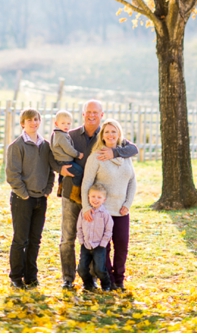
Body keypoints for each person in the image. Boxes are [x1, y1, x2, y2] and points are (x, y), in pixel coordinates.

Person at [57, 100, 138, 290]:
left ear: (101, 115)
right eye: (88, 112)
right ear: (83, 114)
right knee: (69, 238)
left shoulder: (110, 137)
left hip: (100, 202)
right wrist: (59, 168)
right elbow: (55, 155)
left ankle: (96, 278)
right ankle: (69, 278)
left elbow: (133, 149)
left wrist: (114, 152)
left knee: (99, 241)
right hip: (76, 194)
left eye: (96, 112)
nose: (91, 115)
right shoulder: (71, 136)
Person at [80, 118, 137, 290]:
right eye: (107, 132)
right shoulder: (95, 157)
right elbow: (86, 184)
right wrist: (87, 207)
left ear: (119, 134)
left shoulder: (125, 156)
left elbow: (132, 181)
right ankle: (109, 280)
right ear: (102, 136)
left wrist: (128, 203)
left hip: (121, 211)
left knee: (122, 246)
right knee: (103, 248)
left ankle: (119, 279)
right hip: (101, 211)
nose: (110, 135)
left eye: (114, 131)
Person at [5, 108, 55, 290]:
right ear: (23, 124)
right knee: (21, 239)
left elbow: (51, 171)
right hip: (22, 199)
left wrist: (47, 190)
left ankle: (31, 276)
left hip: (41, 198)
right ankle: (16, 276)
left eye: (36, 119)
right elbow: (12, 175)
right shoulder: (16, 146)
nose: (34, 122)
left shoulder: (45, 145)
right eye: (29, 120)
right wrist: (25, 194)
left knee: (35, 239)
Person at [77, 181, 114, 291]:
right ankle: (88, 284)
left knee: (99, 269)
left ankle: (106, 283)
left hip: (99, 246)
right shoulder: (84, 212)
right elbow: (79, 227)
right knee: (82, 269)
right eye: (93, 196)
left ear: (104, 200)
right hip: (86, 245)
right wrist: (81, 241)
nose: (95, 199)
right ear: (88, 197)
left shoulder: (105, 214)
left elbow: (108, 230)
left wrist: (103, 244)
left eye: (99, 197)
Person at [50, 110, 84, 205]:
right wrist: (78, 154)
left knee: (62, 175)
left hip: (60, 160)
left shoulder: (56, 133)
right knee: (79, 172)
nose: (66, 126)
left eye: (68, 123)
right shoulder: (61, 136)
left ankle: (60, 189)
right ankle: (75, 193)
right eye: (63, 123)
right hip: (66, 161)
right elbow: (68, 149)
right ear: (56, 123)